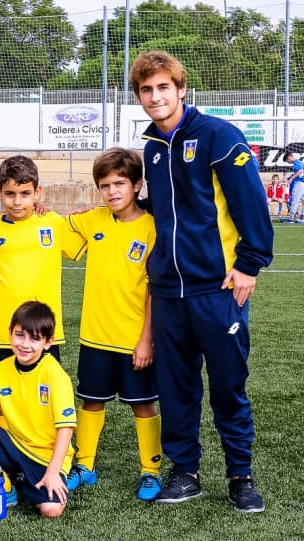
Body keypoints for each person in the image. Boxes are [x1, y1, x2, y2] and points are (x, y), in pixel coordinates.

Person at [132, 50, 273, 512]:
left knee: (229, 385)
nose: (155, 97)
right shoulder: (152, 147)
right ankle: (185, 472)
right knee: (176, 387)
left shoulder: (218, 135)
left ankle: (240, 477)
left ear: (181, 88)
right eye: (146, 90)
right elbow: (169, 212)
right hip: (170, 291)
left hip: (218, 288)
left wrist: (250, 262)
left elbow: (250, 200)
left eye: (163, 88)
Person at [63, 148, 162, 501]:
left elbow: (155, 290)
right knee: (91, 401)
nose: (112, 192)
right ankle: (84, 466)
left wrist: (146, 340)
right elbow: (58, 230)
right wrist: (42, 211)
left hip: (134, 338)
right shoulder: (93, 220)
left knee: (143, 404)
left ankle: (150, 471)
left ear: (137, 185)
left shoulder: (152, 227)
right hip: (94, 336)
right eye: (105, 186)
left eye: (120, 183)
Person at [0, 301, 76, 519]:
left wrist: (52, 472)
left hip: (44, 457)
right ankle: (4, 487)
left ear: (48, 343)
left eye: (35, 339)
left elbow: (66, 429)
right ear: (10, 334)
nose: (25, 344)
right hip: (13, 444)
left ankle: (28, 479)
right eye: (20, 335)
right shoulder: (2, 369)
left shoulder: (55, 375)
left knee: (51, 510)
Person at [0, 155, 85, 367]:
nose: (17, 202)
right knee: (2, 396)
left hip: (43, 331)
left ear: (37, 192)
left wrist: (93, 213)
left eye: (25, 194)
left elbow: (88, 238)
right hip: (3, 333)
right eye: (10, 194)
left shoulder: (52, 222)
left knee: (44, 397)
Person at [282, 152, 304, 222]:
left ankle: (291, 218)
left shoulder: (296, 162)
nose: (288, 162)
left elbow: (300, 171)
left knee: (295, 200)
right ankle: (302, 217)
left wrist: (292, 178)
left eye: (287, 161)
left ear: (289, 157)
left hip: (300, 183)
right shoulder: (299, 162)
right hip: (302, 183)